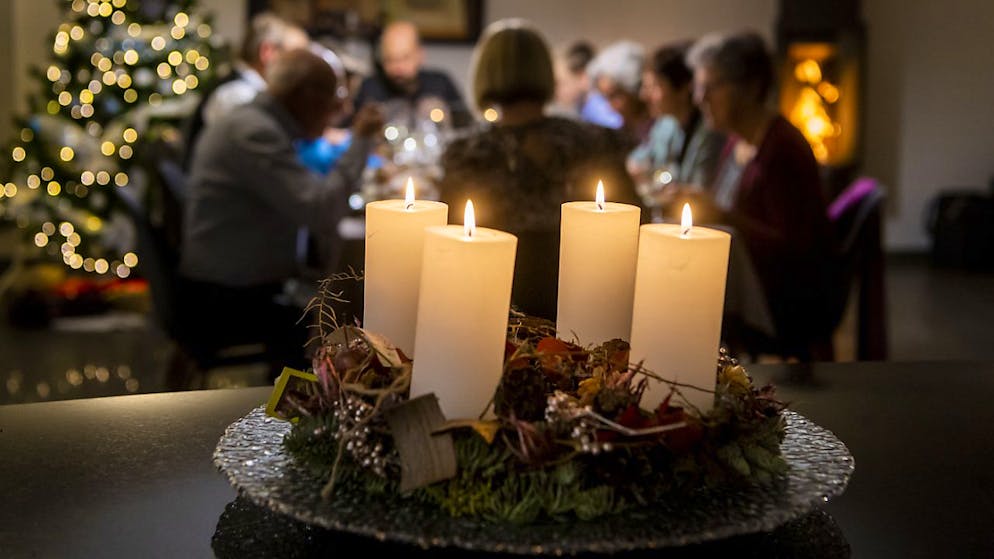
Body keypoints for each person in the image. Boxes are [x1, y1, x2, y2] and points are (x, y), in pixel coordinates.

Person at [179, 48, 384, 374]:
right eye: (336, 97)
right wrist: (360, 141)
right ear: (306, 97)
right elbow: (320, 210)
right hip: (228, 297)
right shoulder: (254, 133)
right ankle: (322, 407)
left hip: (230, 279)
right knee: (347, 315)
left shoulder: (254, 123)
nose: (342, 109)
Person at [437, 19, 643, 321]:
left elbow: (448, 237)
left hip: (487, 303)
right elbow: (636, 218)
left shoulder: (467, 152)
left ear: (484, 73)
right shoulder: (592, 141)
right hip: (583, 302)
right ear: (545, 71)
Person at [683, 30, 841, 359]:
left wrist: (720, 216)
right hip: (747, 282)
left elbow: (795, 249)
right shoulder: (737, 140)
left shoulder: (782, 148)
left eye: (710, 87)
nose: (699, 98)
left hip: (783, 300)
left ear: (751, 88)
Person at [182, 12, 310, 169]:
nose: (302, 69)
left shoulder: (246, 90)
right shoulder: (237, 95)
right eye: (296, 58)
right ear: (267, 52)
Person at [627, 40, 726, 207]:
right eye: (645, 87)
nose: (644, 96)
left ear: (684, 88)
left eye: (655, 87)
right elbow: (641, 158)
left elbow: (702, 189)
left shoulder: (712, 129)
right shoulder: (666, 124)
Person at [352, 20, 470, 128]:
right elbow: (348, 134)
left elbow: (466, 127)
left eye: (405, 58)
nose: (397, 68)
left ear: (420, 55)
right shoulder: (369, 88)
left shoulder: (441, 83)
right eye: (390, 59)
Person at [586, 40, 652, 149]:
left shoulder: (662, 131)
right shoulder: (623, 133)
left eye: (614, 96)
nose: (610, 108)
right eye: (605, 98)